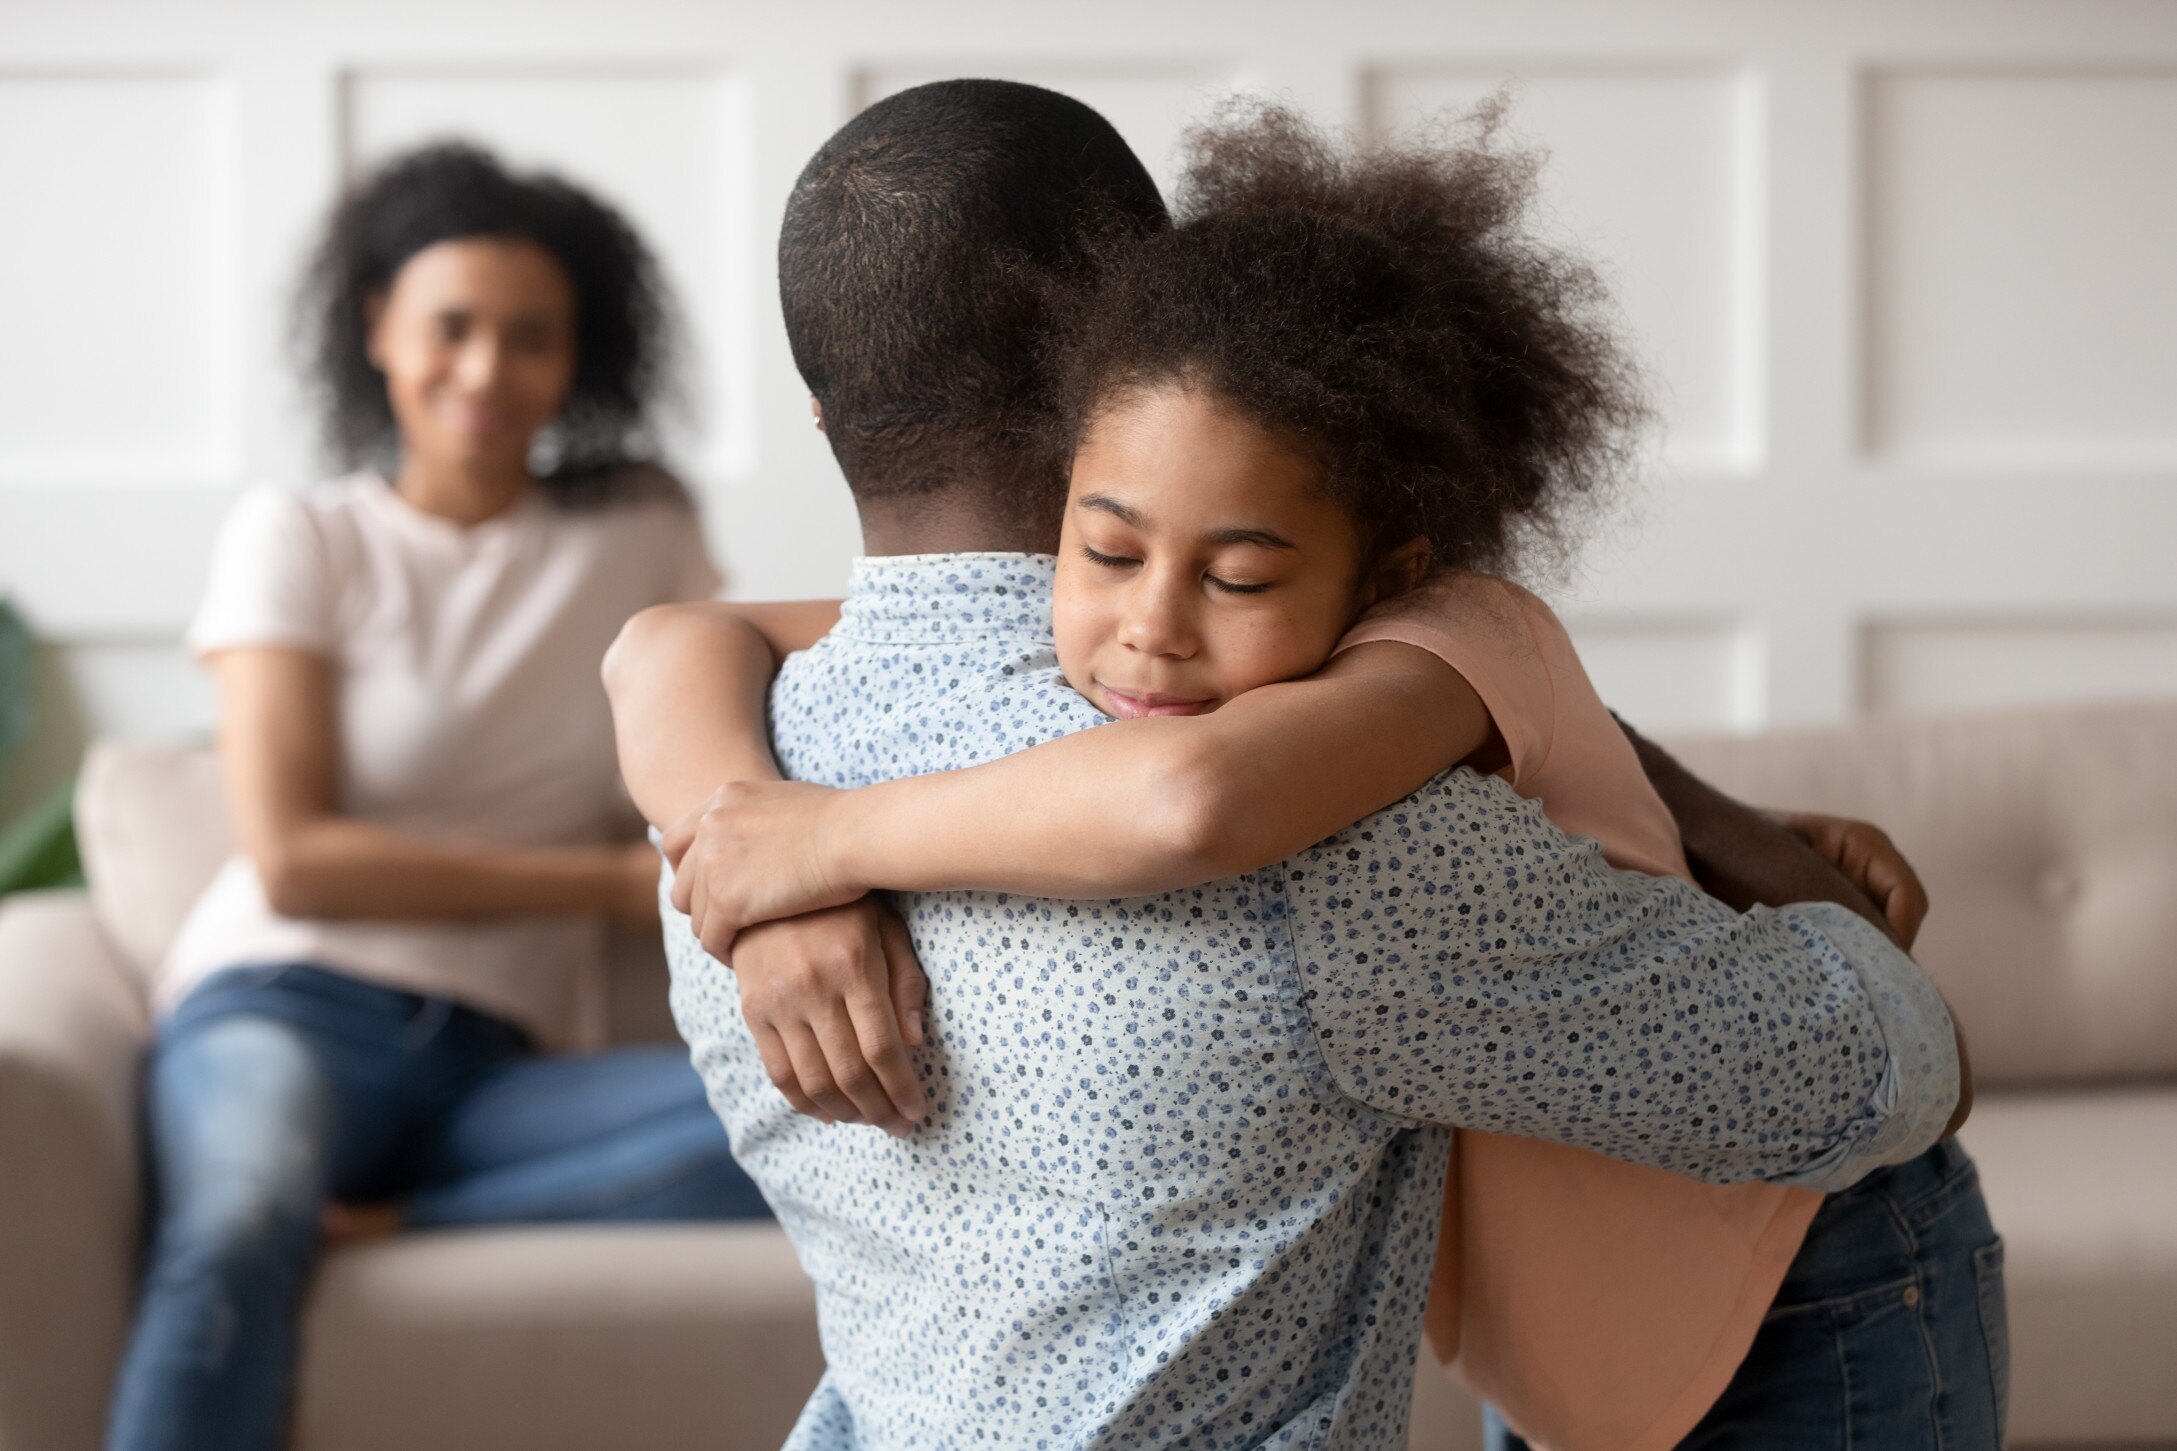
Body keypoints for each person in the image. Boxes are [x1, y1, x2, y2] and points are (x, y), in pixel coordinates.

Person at [606, 81, 1966, 1448]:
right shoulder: (1315, 843)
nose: (1160, 620)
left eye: (1239, 573)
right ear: (1109, 353)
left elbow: (667, 643)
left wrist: (806, 847)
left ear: (822, 412)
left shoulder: (726, 815)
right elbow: (1872, 1069)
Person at [105, 144, 770, 1451]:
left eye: (530, 337)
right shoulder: (302, 534)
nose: (485, 370)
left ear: (580, 356)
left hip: (500, 1062)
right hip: (285, 1005)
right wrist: (598, 886)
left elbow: (720, 751)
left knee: (817, 1108)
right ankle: (322, 1208)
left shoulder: (642, 527)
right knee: (239, 1219)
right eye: (449, 327)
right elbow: (296, 861)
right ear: (376, 331)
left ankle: (401, 1217)